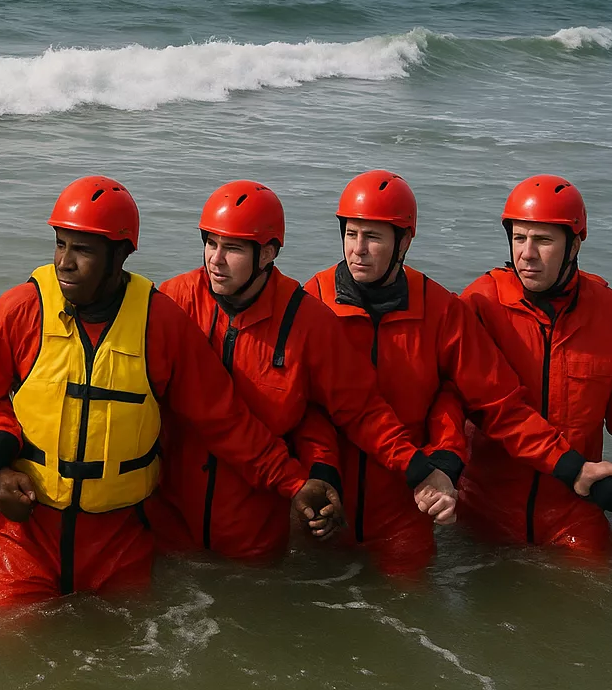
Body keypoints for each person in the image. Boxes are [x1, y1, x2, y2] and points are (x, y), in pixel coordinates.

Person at [0, 176, 456, 606]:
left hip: (187, 531)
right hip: (96, 525)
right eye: (210, 243)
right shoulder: (58, 306)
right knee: (7, 657)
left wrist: (314, 479)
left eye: (232, 248)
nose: (64, 262)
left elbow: (250, 417)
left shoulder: (198, 320)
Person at [302, 171, 612, 572]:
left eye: (373, 237)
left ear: (404, 241)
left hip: (407, 510)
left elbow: (492, 403)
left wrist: (568, 466)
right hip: (326, 503)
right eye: (351, 234)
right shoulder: (312, 302)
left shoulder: (442, 310)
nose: (358, 250)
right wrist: (319, 473)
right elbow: (302, 409)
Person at [147, 180, 457, 569]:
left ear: (267, 253)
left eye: (233, 248)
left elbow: (359, 410)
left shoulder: (307, 321)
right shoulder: (174, 301)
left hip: (254, 530)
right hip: (170, 518)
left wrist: (418, 469)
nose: (216, 260)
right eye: (211, 243)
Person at [460, 175, 612, 554]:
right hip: (483, 506)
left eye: (543, 240)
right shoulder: (480, 305)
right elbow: (493, 408)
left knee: (599, 587)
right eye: (519, 238)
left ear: (575, 244)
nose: (527, 253)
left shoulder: (609, 313)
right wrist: (571, 468)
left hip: (573, 509)